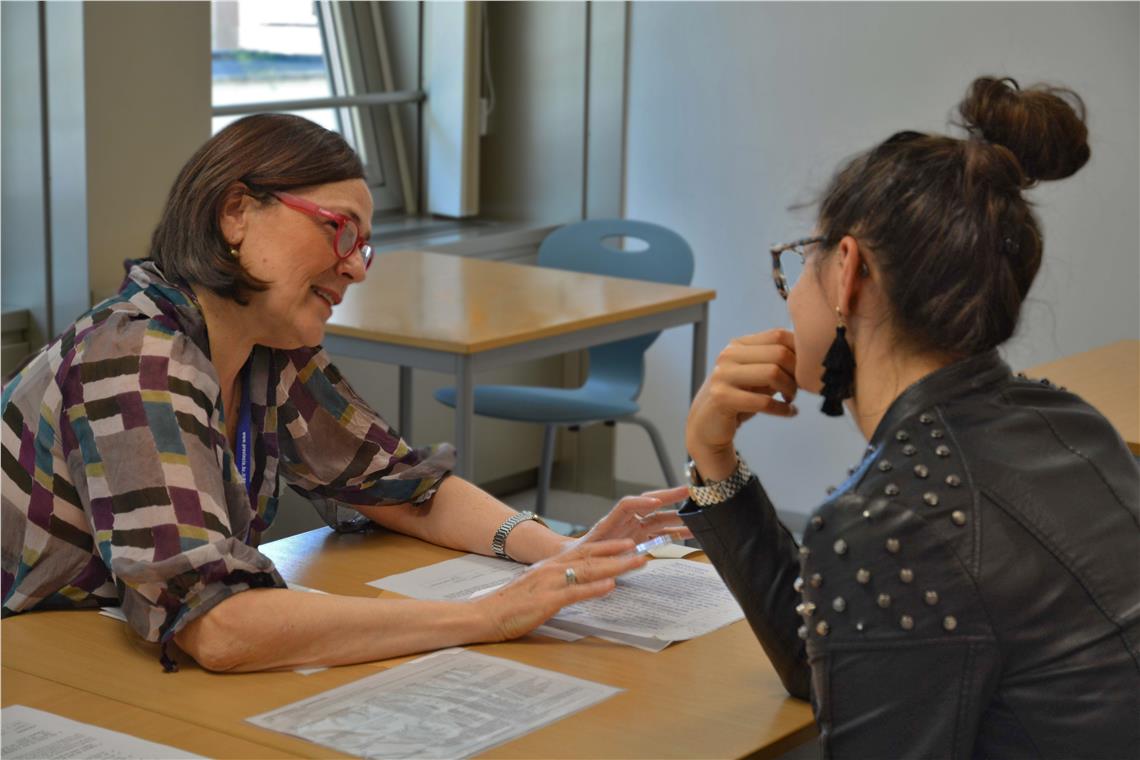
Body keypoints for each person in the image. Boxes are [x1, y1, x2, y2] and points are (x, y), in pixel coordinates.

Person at [1, 113, 691, 673]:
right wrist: (487, 615)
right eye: (340, 230)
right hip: (35, 670)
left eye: (364, 245)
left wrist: (559, 553)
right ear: (236, 213)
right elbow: (218, 625)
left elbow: (399, 485)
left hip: (95, 655)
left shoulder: (268, 348)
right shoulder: (136, 360)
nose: (356, 268)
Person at [680, 76, 1139, 757]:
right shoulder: (1073, 424)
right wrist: (712, 457)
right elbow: (839, 667)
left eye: (800, 261)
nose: (792, 295)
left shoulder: (892, 518)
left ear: (847, 269)